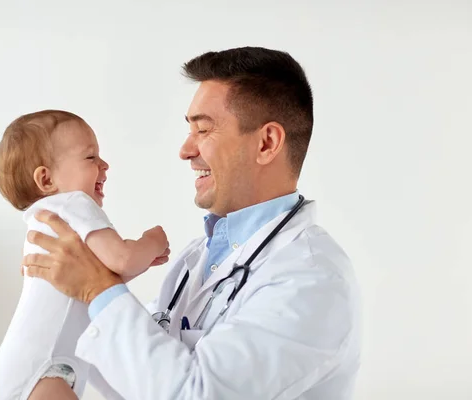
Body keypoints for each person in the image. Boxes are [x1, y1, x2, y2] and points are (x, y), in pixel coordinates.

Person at [22, 46, 362, 399]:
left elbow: (197, 393)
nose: (185, 150)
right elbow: (140, 383)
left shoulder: (310, 276)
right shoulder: (196, 259)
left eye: (203, 130)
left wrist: (97, 288)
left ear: (267, 143)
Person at [0, 110, 170, 400]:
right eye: (91, 158)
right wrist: (152, 241)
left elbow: (105, 279)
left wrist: (140, 260)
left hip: (34, 364)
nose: (105, 165)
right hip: (43, 367)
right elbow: (122, 259)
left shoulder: (47, 219)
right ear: (46, 179)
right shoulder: (72, 203)